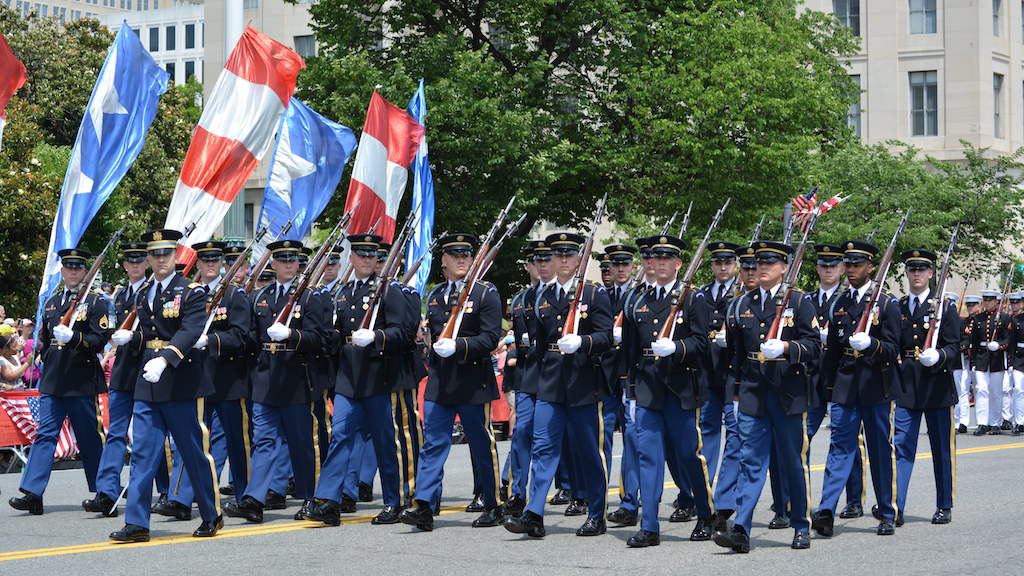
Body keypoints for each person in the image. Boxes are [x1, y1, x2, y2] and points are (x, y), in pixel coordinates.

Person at [108, 229, 222, 542]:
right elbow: (149, 330)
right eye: (155, 255)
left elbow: (190, 330)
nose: (160, 260)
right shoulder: (144, 292)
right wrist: (133, 338)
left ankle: (211, 514)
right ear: (149, 258)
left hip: (182, 380)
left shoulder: (192, 291)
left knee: (193, 451)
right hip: (149, 382)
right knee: (144, 454)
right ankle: (137, 522)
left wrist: (166, 359)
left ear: (176, 256)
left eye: (166, 254)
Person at [503, 232, 613, 539]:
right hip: (550, 383)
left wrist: (583, 342)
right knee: (543, 448)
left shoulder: (593, 294)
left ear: (578, 258)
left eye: (568, 255)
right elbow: (536, 347)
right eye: (557, 255)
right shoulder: (543, 296)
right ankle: (534, 513)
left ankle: (596, 513)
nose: (563, 260)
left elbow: (607, 338)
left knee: (588, 451)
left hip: (582, 382)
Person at [712, 240, 819, 553]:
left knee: (792, 464)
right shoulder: (742, 305)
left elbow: (813, 347)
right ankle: (742, 528)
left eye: (770, 263)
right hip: (753, 395)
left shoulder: (799, 302)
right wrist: (733, 395)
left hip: (787, 395)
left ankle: (801, 524)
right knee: (751, 463)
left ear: (784, 268)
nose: (762, 268)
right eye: (759, 263)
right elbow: (734, 356)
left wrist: (787, 348)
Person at [305, 234, 418, 526]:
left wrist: (377, 337)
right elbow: (337, 334)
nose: (368, 260)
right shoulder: (343, 292)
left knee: (386, 442)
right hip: (349, 378)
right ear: (351, 258)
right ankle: (329, 500)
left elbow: (403, 334)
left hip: (381, 377)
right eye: (362, 255)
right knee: (340, 437)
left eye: (373, 255)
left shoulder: (389, 291)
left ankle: (397, 500)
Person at [399, 233, 503, 531]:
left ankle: (493, 503)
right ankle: (425, 505)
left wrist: (459, 346)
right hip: (441, 381)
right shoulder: (434, 295)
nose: (462, 259)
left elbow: (490, 337)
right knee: (433, 443)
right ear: (443, 261)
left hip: (472, 380)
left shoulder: (485, 293)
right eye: (455, 254)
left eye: (466, 254)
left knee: (482, 444)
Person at [224, 239, 331, 524]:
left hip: (297, 379)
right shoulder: (260, 297)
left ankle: (312, 498)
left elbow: (321, 340)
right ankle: (255, 499)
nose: (287, 264)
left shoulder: (311, 297)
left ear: (298, 264)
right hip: (265, 379)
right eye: (282, 259)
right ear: (272, 263)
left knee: (302, 443)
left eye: (292, 260)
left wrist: (292, 336)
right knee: (264, 441)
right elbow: (249, 338)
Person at [618, 234, 714, 548]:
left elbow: (703, 343)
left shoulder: (693, 298)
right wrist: (630, 389)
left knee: (688, 455)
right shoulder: (637, 299)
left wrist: (677, 347)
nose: (659, 263)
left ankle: (705, 513)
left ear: (678, 263)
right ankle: (649, 527)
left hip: (681, 389)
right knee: (648, 457)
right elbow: (631, 351)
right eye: (654, 258)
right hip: (647, 388)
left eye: (666, 258)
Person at [9, 248, 112, 516]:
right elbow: (44, 337)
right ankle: (32, 492)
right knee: (45, 435)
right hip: (54, 381)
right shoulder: (53, 301)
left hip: (82, 382)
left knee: (90, 439)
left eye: (78, 267)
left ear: (84, 271)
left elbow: (100, 340)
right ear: (63, 270)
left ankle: (104, 493)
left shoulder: (95, 302)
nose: (73, 271)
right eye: (69, 267)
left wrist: (75, 339)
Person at [813, 239, 900, 538]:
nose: (851, 270)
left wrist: (873, 344)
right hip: (845, 385)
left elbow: (893, 349)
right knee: (840, 447)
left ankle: (887, 511)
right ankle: (826, 509)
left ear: (871, 267)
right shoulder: (840, 303)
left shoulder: (887, 303)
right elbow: (832, 352)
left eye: (857, 264)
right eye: (847, 264)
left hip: (876, 384)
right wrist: (826, 389)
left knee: (878, 450)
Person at [161, 241, 254, 516]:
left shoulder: (234, 296)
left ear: (222, 263)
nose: (210, 265)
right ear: (198, 264)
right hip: (197, 377)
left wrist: (210, 341)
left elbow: (242, 336)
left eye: (215, 260)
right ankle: (180, 498)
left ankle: (246, 496)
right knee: (191, 440)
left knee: (238, 442)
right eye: (205, 261)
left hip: (228, 379)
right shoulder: (190, 295)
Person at [892, 249, 960, 526]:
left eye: (922, 269)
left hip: (937, 385)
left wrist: (940, 355)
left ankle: (944, 504)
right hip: (908, 384)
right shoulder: (899, 306)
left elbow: (955, 347)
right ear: (907, 273)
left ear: (931, 273)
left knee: (941, 449)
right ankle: (897, 505)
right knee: (902, 447)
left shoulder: (945, 307)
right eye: (912, 269)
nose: (917, 273)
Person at [83, 241, 150, 517]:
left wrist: (136, 337)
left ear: (145, 263)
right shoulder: (121, 297)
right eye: (129, 261)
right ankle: (107, 492)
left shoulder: (155, 291)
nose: (134, 265)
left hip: (149, 367)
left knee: (150, 435)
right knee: (115, 434)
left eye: (139, 261)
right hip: (123, 370)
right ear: (124, 265)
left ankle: (169, 492)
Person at [502, 240, 548, 517]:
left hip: (554, 376)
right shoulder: (520, 300)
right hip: (527, 377)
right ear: (528, 266)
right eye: (535, 261)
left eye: (545, 260)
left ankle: (576, 492)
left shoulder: (561, 296)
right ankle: (518, 493)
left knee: (555, 440)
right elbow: (519, 340)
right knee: (521, 434)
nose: (540, 266)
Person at [698, 242, 740, 504]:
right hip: (707, 372)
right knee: (707, 431)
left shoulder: (743, 294)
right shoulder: (702, 294)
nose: (723, 267)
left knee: (735, 434)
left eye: (727, 262)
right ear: (712, 265)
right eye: (718, 262)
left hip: (732, 374)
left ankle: (726, 495)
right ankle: (704, 489)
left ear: (735, 265)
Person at [968, 289, 1009, 435]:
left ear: (996, 302)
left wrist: (999, 345)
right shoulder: (978, 318)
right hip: (981, 359)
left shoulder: (1003, 318)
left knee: (996, 392)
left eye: (990, 300)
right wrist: (972, 362)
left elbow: (1008, 339)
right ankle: (982, 422)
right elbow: (973, 342)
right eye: (985, 300)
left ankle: (995, 423)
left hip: (996, 359)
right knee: (981, 390)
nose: (987, 303)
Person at [954, 294, 981, 433]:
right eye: (968, 305)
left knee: (980, 391)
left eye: (973, 305)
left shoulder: (981, 320)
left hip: (978, 360)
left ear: (979, 305)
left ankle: (984, 421)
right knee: (962, 391)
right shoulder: (962, 322)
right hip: (964, 361)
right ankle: (962, 422)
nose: (970, 308)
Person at [1006, 292, 1024, 435]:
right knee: (1018, 390)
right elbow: (1011, 343)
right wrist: (1011, 363)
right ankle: (1020, 422)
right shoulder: (1017, 320)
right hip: (1019, 358)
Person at [0, 324, 28, 389]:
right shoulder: (1, 359)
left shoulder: (14, 356)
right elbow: (10, 376)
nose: (14, 336)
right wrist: (27, 363)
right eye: (11, 334)